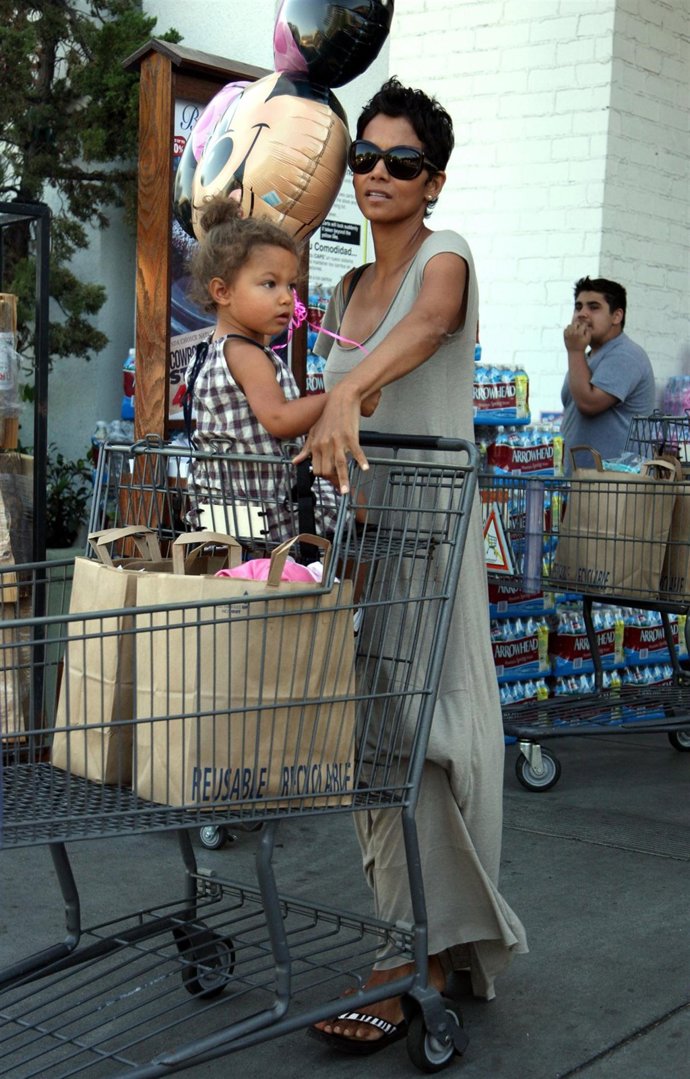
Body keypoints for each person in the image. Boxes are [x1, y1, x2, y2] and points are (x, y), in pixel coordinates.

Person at [297, 77, 527, 1054]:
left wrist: (349, 385)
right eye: (365, 158)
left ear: (432, 180)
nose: (377, 173)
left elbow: (430, 326)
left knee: (428, 744)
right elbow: (317, 403)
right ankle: (416, 935)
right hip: (359, 541)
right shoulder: (344, 288)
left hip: (430, 538)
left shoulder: (448, 256)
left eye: (400, 161)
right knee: (371, 750)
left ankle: (418, 956)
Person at [184, 197, 378, 543]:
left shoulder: (208, 353)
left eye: (290, 285)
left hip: (227, 512)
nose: (288, 297)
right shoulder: (247, 355)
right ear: (222, 291)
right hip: (267, 513)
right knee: (355, 500)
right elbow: (280, 418)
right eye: (269, 284)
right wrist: (343, 397)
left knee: (339, 483)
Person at [560, 277, 656, 472]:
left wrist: (575, 351)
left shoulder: (626, 354)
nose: (582, 314)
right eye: (578, 307)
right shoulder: (586, 358)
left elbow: (589, 403)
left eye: (594, 307)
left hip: (613, 492)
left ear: (616, 316)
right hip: (580, 485)